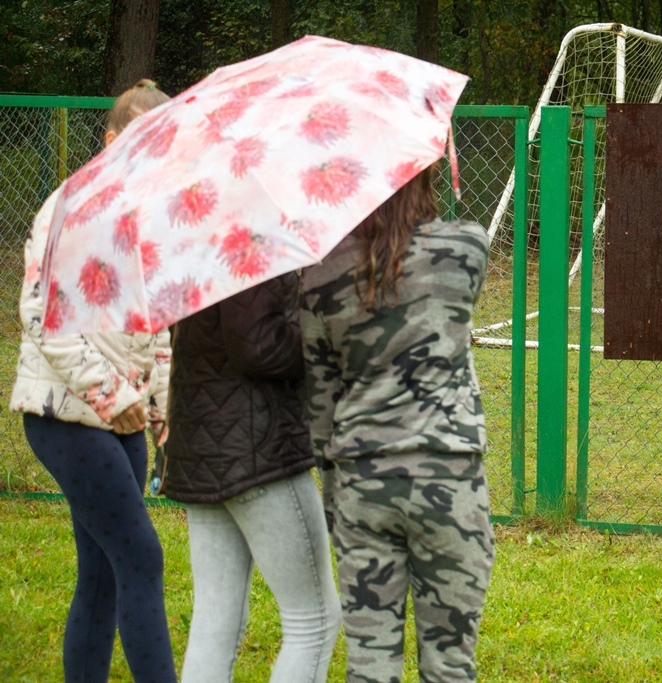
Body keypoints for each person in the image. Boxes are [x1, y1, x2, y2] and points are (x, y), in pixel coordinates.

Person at [10, 79, 177, 683]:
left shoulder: (140, 219)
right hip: (64, 417)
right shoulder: (68, 208)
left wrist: (159, 409)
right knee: (141, 556)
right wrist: (116, 397)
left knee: (103, 572)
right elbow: (38, 315)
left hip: (121, 419)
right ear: (109, 140)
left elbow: (153, 324)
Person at [301, 164, 495, 683]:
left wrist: (332, 497)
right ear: (422, 176)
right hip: (449, 478)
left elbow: (320, 405)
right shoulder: (465, 249)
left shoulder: (319, 277)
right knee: (450, 663)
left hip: (362, 481)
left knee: (369, 663)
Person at [160, 272, 342, 681]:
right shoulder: (248, 242)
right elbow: (258, 347)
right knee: (314, 618)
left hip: (206, 446)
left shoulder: (200, 244)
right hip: (258, 450)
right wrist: (322, 330)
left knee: (216, 617)